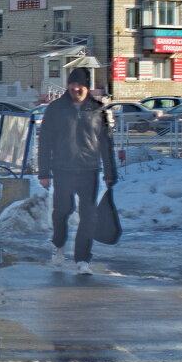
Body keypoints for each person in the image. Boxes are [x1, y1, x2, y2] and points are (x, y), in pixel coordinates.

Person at [37, 67, 118, 275]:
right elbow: (45, 141)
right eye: (72, 84)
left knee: (88, 216)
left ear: (87, 86)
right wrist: (43, 172)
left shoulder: (97, 109)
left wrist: (110, 173)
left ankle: (83, 260)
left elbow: (106, 144)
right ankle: (58, 246)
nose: (75, 88)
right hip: (62, 169)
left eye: (80, 84)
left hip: (89, 170)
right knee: (62, 211)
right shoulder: (56, 109)